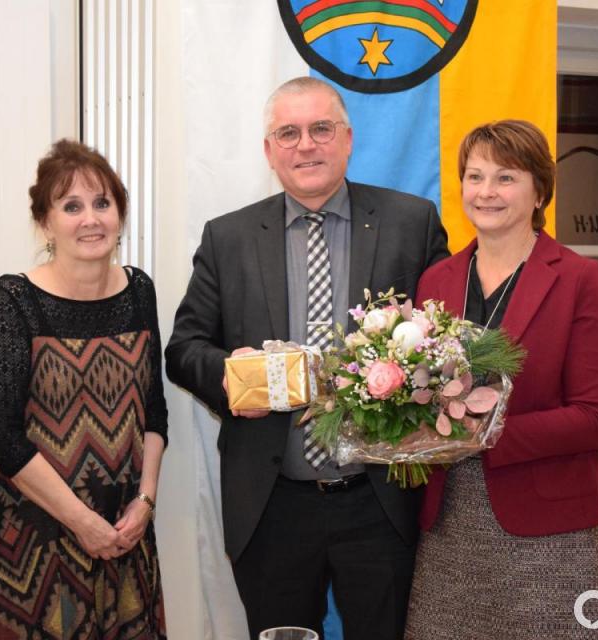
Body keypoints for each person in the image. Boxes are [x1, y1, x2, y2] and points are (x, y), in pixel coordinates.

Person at [165, 76, 449, 640]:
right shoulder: (228, 237)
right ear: (269, 150)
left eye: (321, 129)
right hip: (273, 505)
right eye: (288, 133)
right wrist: (234, 378)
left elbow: (445, 339)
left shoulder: (411, 221)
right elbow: (183, 349)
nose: (306, 145)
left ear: (348, 138)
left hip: (380, 501)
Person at [404, 120, 598, 639]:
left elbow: (596, 417)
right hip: (450, 522)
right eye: (475, 176)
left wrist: (483, 433)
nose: (486, 192)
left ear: (539, 191)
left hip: (549, 530)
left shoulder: (577, 278)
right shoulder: (436, 279)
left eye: (506, 178)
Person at [0, 139, 168, 639]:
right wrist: (83, 522)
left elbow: (154, 412)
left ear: (120, 214)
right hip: (37, 543)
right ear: (45, 222)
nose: (90, 219)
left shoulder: (139, 291)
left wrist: (144, 503)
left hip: (125, 538)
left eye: (102, 203)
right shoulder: (14, 299)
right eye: (71, 206)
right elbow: (1, 438)